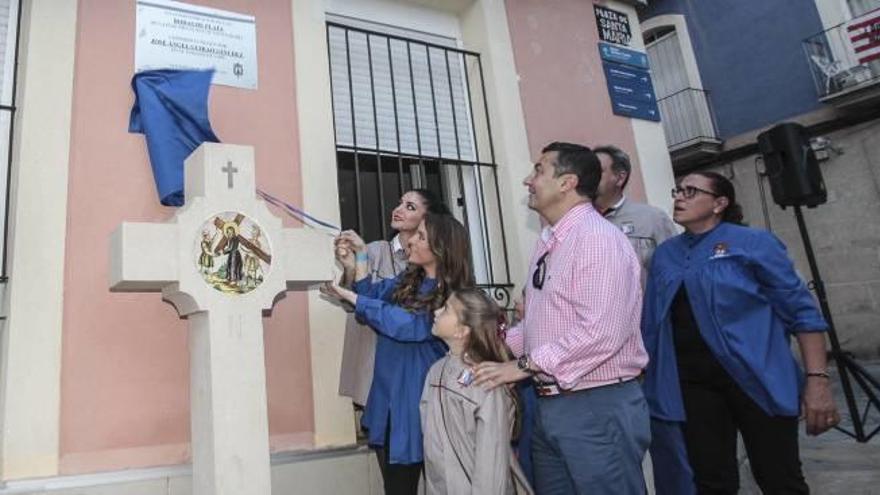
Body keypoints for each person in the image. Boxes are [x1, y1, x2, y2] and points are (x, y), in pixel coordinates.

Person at [642, 171, 840, 494]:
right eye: (678, 190)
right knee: (711, 482)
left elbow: (803, 314)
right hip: (693, 388)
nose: (679, 197)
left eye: (691, 191)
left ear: (720, 203)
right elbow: (651, 323)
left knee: (779, 479)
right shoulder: (666, 254)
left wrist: (817, 380)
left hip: (756, 378)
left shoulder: (754, 243)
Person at [473, 142, 650, 494]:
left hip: (596, 404)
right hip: (551, 405)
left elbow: (602, 332)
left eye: (539, 170)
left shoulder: (597, 240)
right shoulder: (549, 243)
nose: (528, 180)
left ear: (567, 182)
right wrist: (485, 347)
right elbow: (541, 326)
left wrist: (521, 366)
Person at [323, 213, 474, 495]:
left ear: (440, 249)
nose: (410, 241)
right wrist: (359, 259)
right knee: (396, 485)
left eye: (420, 237)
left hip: (419, 401)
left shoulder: (452, 294)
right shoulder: (409, 279)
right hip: (389, 395)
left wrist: (351, 297)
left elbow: (407, 325)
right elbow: (374, 294)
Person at [337, 189, 450, 408]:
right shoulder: (373, 251)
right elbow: (350, 301)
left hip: (412, 365)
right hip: (373, 357)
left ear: (428, 218)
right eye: (400, 203)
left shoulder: (436, 267)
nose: (398, 210)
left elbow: (412, 322)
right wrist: (351, 268)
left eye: (410, 207)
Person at [420, 288, 534, 494]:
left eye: (446, 310)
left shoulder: (486, 380)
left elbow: (493, 459)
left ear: (462, 330)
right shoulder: (435, 372)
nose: (436, 312)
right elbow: (430, 446)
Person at [593, 145, 677, 285]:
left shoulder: (652, 218)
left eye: (597, 171)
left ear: (620, 178)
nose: (588, 177)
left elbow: (675, 269)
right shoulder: (575, 222)